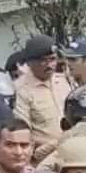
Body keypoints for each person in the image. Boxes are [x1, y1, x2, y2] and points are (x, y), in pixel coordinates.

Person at [13, 35, 72, 163]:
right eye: (43, 61)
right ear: (29, 63)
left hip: (71, 153)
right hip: (43, 160)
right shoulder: (20, 90)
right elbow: (22, 133)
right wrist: (57, 143)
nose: (50, 65)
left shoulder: (63, 81)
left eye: (53, 59)